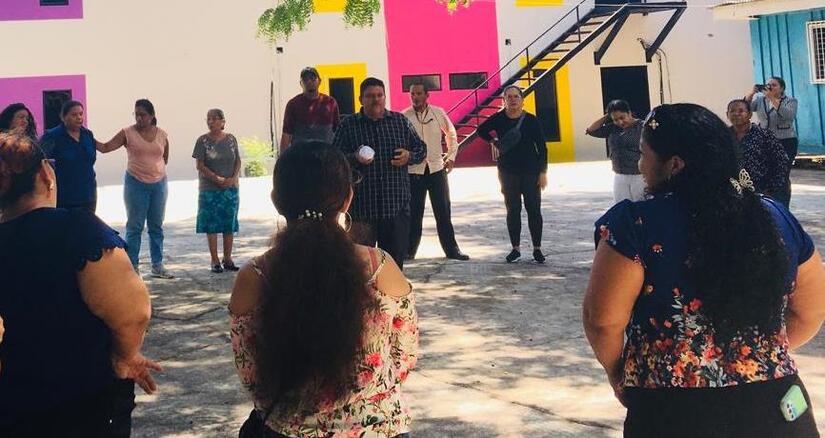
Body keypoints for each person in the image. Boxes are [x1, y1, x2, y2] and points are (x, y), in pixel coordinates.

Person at [583, 103, 825, 437]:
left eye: (643, 155)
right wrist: (753, 355)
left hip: (672, 408)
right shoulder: (773, 216)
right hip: (777, 406)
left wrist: (618, 373)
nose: (640, 165)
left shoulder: (635, 225)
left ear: (674, 165)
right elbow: (812, 311)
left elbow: (603, 321)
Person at [230, 141, 418, 438]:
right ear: (348, 198)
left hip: (287, 430)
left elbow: (251, 375)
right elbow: (403, 358)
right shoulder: (380, 268)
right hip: (378, 428)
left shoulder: (254, 276)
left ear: (276, 201)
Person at [0, 132, 161, 436]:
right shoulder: (77, 229)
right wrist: (125, 355)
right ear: (46, 175)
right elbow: (133, 313)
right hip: (81, 395)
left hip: (14, 397)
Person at [332, 77, 426, 269]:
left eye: (379, 95)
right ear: (361, 99)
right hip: (361, 210)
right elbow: (334, 158)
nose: (376, 100)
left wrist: (409, 156)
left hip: (395, 207)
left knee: (393, 266)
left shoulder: (400, 122)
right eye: (370, 96)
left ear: (384, 97)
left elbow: (421, 149)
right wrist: (355, 157)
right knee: (360, 267)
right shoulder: (348, 125)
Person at [97, 99, 173, 278]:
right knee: (135, 225)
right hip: (136, 183)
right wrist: (87, 137)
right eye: (136, 114)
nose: (139, 118)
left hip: (159, 184)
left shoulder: (162, 134)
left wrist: (156, 171)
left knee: (156, 225)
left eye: (143, 115)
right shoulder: (127, 133)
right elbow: (106, 147)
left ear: (152, 116)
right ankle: (132, 266)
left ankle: (157, 265)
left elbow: (165, 157)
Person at [477, 85, 548, 264]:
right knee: (513, 209)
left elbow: (542, 147)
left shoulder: (531, 120)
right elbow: (481, 130)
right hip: (508, 171)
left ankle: (537, 248)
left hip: (531, 171)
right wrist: (493, 141)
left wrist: (543, 172)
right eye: (509, 97)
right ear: (504, 100)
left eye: (516, 96)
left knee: (534, 209)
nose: (513, 100)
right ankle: (515, 248)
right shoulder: (498, 118)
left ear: (522, 100)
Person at [402, 82, 469, 261]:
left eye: (419, 93)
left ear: (427, 95)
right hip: (414, 171)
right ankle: (409, 251)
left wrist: (451, 156)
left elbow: (451, 133)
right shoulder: (404, 116)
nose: (415, 97)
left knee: (443, 212)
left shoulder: (438, 113)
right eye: (412, 94)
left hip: (437, 169)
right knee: (414, 213)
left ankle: (452, 250)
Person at [193, 109, 241, 273]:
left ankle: (228, 258)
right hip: (210, 189)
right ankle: (214, 260)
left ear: (223, 121)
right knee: (211, 225)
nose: (211, 122)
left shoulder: (231, 139)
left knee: (229, 223)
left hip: (230, 187)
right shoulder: (202, 141)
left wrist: (233, 178)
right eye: (208, 119)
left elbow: (238, 160)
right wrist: (217, 179)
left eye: (214, 119)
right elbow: (200, 165)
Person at [726, 99, 790, 206]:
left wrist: (771, 189)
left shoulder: (764, 135)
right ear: (727, 115)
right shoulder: (723, 137)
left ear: (750, 114)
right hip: (732, 193)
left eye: (741, 111)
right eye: (732, 111)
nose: (736, 114)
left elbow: (781, 162)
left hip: (761, 192)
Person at [39, 100, 99, 212]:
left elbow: (91, 159)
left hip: (88, 195)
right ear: (63, 117)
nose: (79, 117)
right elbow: (40, 161)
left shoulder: (87, 134)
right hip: (64, 197)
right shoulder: (52, 136)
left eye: (81, 114)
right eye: (74, 115)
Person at [585, 99, 644, 203]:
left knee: (641, 206)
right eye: (615, 119)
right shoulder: (612, 128)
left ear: (629, 113)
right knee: (621, 207)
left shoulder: (642, 127)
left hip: (639, 175)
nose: (620, 122)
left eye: (622, 117)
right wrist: (608, 116)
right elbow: (591, 130)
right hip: (619, 175)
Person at [280, 67, 340, 151]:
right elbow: (286, 135)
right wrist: (283, 157)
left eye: (312, 78)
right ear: (301, 83)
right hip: (301, 155)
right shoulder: (293, 105)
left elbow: (338, 133)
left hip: (325, 154)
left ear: (319, 81)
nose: (309, 81)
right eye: (305, 79)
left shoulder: (330, 103)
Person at [746, 76, 799, 164]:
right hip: (764, 139)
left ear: (782, 88)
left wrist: (772, 98)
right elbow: (746, 108)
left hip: (784, 139)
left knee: (783, 167)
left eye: (774, 85)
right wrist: (751, 93)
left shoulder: (790, 101)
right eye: (768, 85)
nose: (770, 87)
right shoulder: (760, 100)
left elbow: (788, 115)